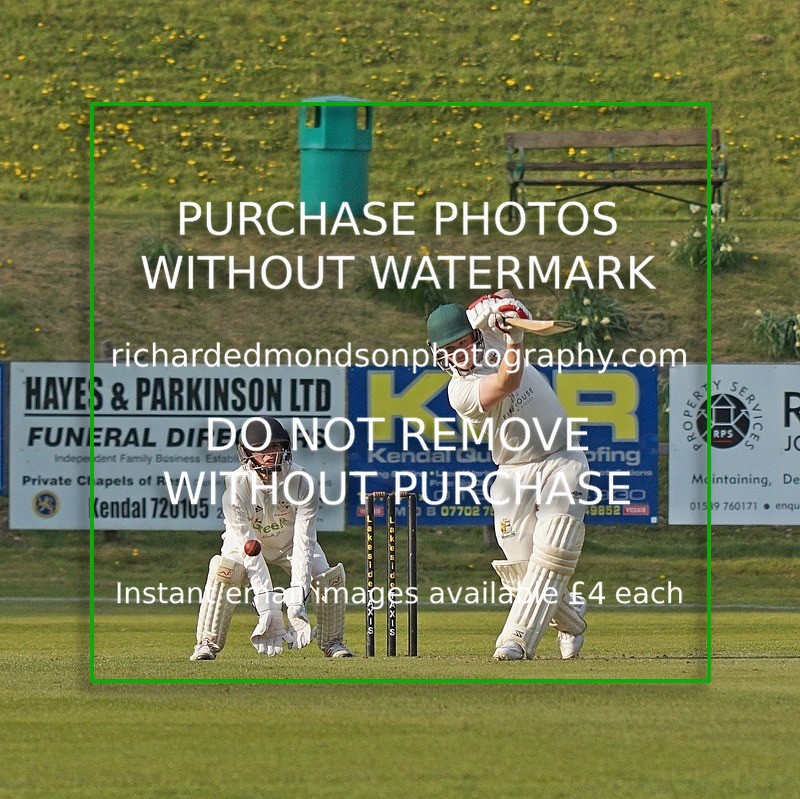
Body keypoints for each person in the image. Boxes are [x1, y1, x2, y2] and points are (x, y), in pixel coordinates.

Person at [426, 291, 589, 661]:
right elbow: (506, 382)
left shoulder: (492, 334)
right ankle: (572, 619)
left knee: (554, 545)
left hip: (562, 456)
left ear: (475, 336)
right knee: (523, 572)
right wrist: (515, 338)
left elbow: (507, 299)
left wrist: (497, 307)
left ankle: (514, 641)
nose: (458, 353)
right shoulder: (459, 390)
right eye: (448, 349)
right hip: (513, 472)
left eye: (462, 342)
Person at [190, 416, 355, 661]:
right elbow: (250, 550)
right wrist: (266, 603)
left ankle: (333, 642)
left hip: (290, 543)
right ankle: (207, 643)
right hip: (246, 544)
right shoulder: (236, 488)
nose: (269, 454)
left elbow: (304, 540)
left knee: (328, 577)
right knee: (224, 571)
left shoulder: (302, 481)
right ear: (246, 452)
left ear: (284, 449)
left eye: (274, 447)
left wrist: (298, 595)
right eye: (262, 449)